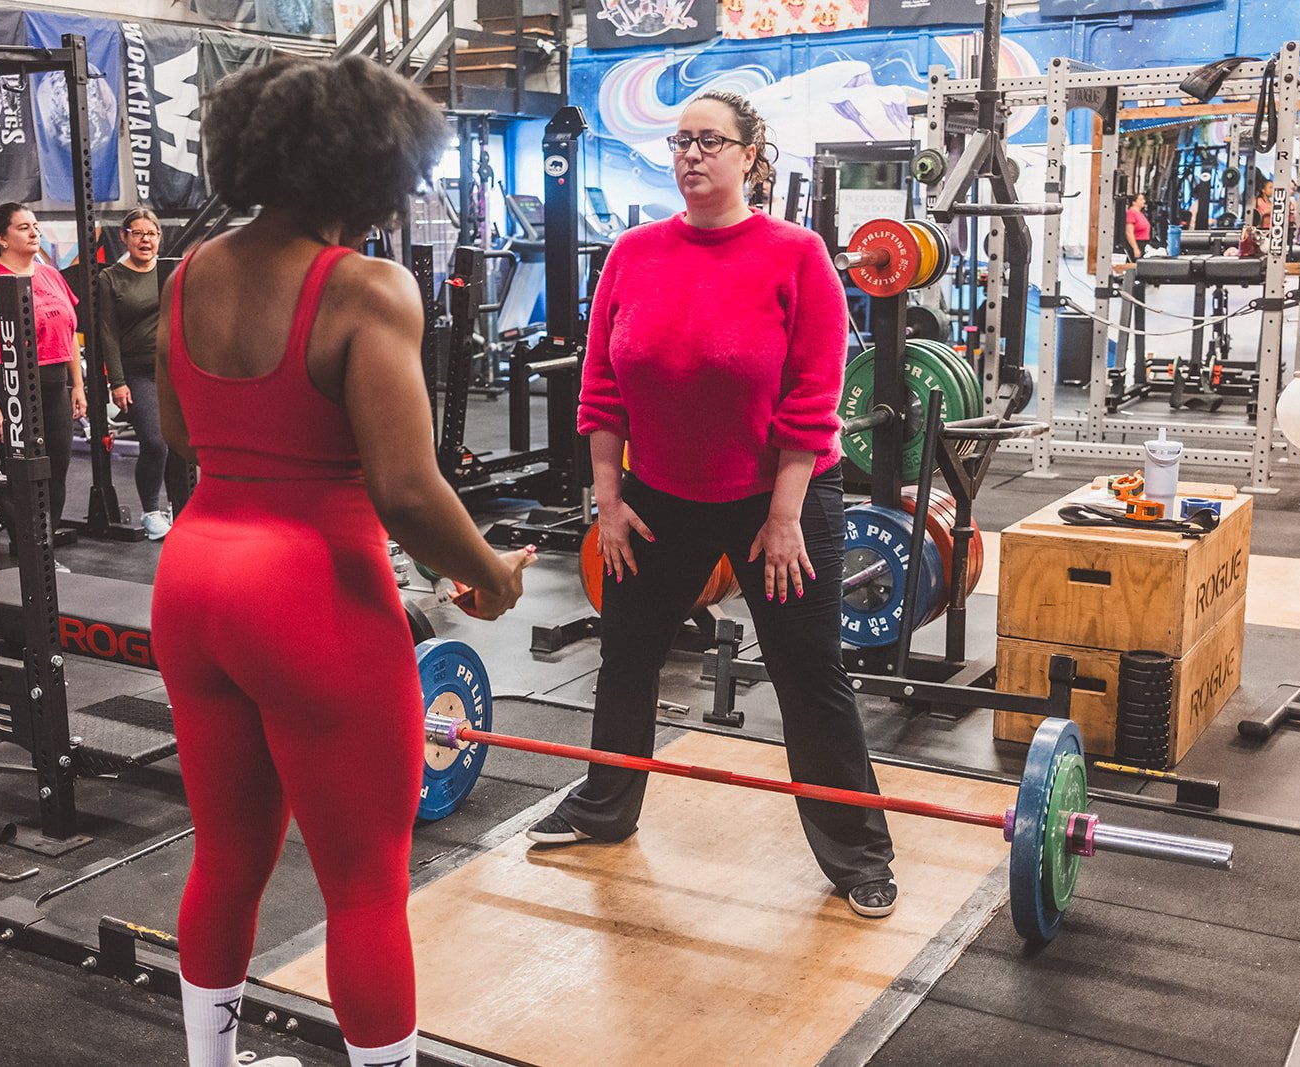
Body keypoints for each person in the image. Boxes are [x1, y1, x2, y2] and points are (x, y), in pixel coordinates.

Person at [151, 55, 535, 1067]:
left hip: (194, 580)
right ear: (372, 167)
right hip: (310, 589)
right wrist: (490, 574)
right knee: (364, 883)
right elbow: (407, 490)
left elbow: (183, 434)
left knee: (227, 854)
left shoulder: (190, 270)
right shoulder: (366, 287)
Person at [524, 89, 899, 920]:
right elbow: (602, 387)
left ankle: (859, 852)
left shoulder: (797, 255)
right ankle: (604, 808)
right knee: (625, 655)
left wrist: (784, 515)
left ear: (749, 155)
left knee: (809, 673)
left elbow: (811, 398)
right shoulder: (632, 253)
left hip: (781, 498)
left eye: (710, 141)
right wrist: (609, 501)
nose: (692, 155)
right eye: (680, 141)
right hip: (657, 496)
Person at [0, 203, 86, 565]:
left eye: (36, 226)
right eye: (23, 227)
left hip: (55, 383)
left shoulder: (51, 276)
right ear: (1, 238)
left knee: (56, 469)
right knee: (23, 476)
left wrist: (77, 386)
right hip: (10, 386)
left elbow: (70, 333)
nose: (34, 233)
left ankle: (43, 551)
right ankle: (28, 555)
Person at [95, 207, 172, 539]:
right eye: (138, 233)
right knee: (155, 442)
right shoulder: (110, 278)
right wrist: (118, 381)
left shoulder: (170, 272)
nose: (146, 240)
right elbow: (107, 333)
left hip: (174, 370)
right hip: (138, 373)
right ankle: (151, 512)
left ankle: (181, 509)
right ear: (124, 236)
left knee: (183, 445)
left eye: (152, 233)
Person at [1124, 191, 1150, 261]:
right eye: (1141, 199)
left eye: (1144, 199)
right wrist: (1135, 248)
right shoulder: (1131, 213)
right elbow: (1129, 232)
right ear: (1134, 202)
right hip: (1136, 243)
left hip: (1143, 244)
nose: (1144, 201)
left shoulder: (1140, 213)